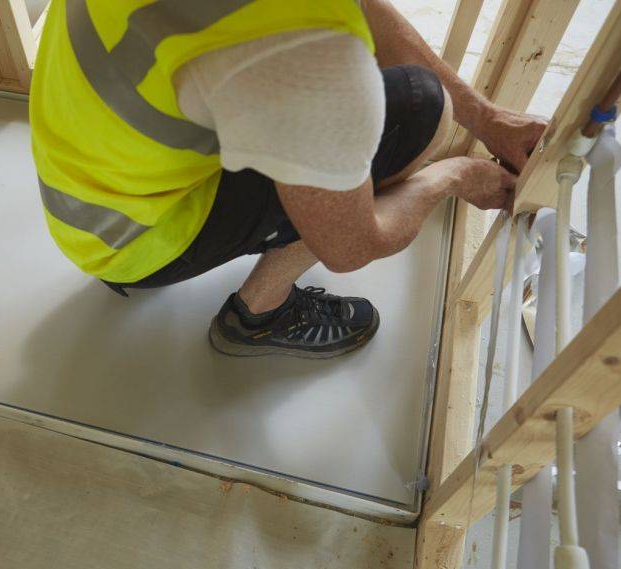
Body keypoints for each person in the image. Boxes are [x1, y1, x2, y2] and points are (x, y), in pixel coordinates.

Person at [30, 0, 545, 359]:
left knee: (418, 103)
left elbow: (361, 7)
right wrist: (452, 176)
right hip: (133, 243)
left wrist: (484, 117)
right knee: (424, 112)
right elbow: (353, 244)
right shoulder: (310, 65)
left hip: (82, 192)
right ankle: (258, 317)